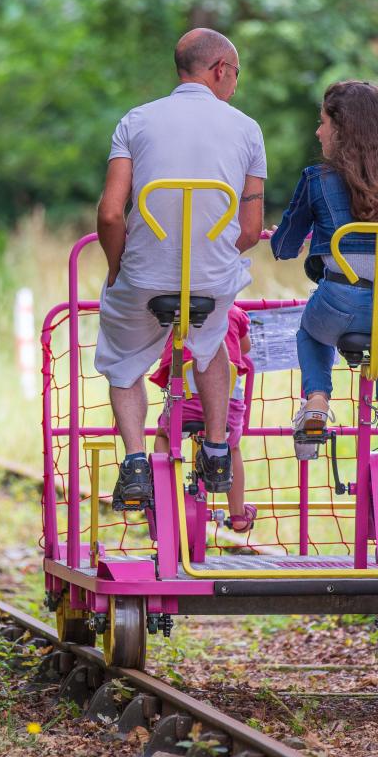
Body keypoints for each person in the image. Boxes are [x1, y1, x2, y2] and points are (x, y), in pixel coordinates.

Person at [95, 28, 266, 511]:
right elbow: (250, 230)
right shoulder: (247, 128)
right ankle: (216, 448)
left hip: (143, 276)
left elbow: (110, 214)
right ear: (219, 70)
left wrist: (116, 271)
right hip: (210, 279)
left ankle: (133, 461)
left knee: (124, 360)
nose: (235, 84)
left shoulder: (136, 120)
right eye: (235, 73)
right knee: (211, 341)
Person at [270, 81, 378, 456]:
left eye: (323, 123)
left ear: (342, 127)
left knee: (310, 333)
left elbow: (283, 247)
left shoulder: (317, 178)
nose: (318, 132)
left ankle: (316, 401)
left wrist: (302, 238)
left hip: (338, 304)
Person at [150, 304, 256, 532]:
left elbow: (160, 347)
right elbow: (245, 347)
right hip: (226, 403)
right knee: (232, 447)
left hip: (185, 400)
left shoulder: (174, 311)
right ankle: (238, 514)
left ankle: (165, 494)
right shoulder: (234, 312)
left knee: (164, 434)